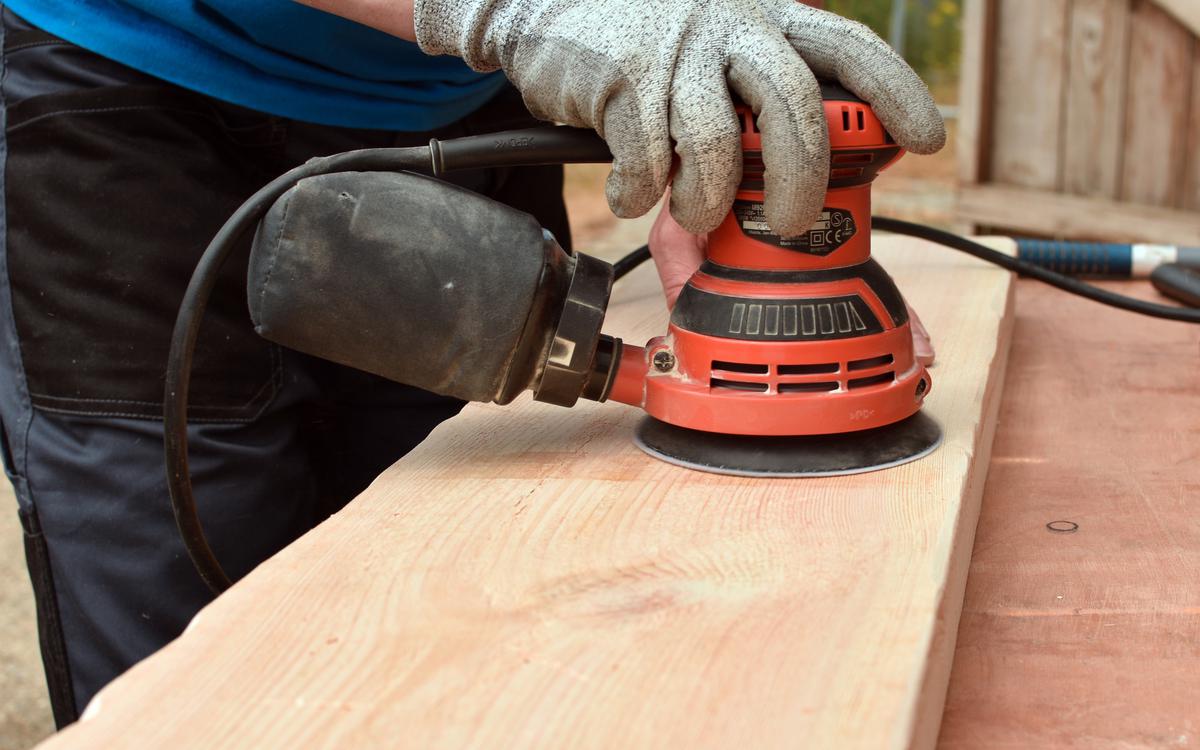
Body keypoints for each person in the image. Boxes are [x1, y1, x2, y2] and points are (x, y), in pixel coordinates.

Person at [0, 0, 944, 725]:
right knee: (188, 660)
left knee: (460, 615)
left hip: (461, 95)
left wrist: (743, 66)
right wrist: (517, 10)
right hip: (133, 99)